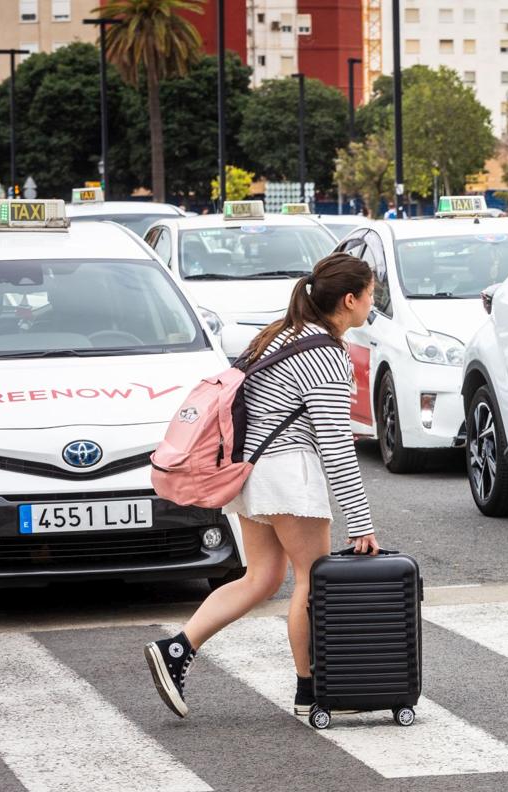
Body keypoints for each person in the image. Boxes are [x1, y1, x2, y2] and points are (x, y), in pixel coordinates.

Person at [144, 253, 381, 719]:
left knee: (263, 577)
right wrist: (362, 524)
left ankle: (177, 649)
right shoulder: (328, 354)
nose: (373, 302)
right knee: (314, 583)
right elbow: (335, 445)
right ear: (350, 300)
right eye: (371, 293)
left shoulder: (280, 333)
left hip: (253, 474)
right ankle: (311, 691)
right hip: (289, 474)